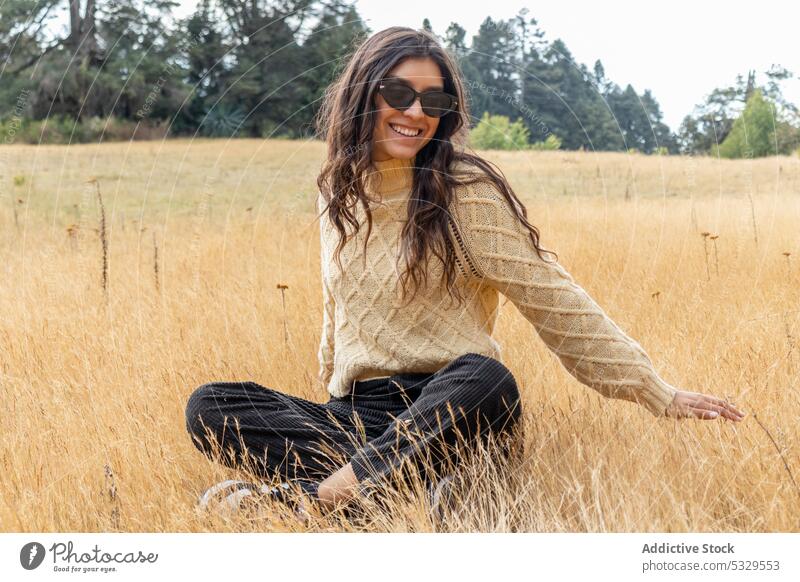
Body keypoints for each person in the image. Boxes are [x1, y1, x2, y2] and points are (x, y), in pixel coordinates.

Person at [185, 27, 745, 521]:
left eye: (433, 99)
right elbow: (339, 307)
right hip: (362, 418)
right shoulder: (339, 190)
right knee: (210, 406)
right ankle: (392, 488)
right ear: (364, 94)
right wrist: (330, 396)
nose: (415, 112)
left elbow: (548, 293)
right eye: (398, 93)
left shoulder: (463, 191)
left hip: (453, 407)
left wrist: (653, 389)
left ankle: (318, 501)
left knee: (486, 376)